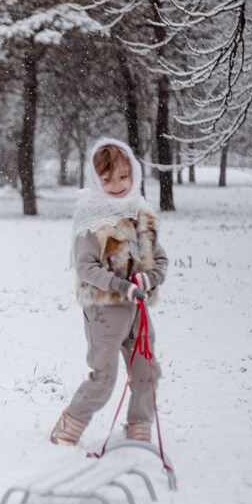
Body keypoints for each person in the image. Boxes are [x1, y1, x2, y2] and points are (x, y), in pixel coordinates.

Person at [51, 137, 168, 446]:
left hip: (138, 310)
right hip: (105, 310)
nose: (117, 185)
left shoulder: (140, 214)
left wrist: (150, 278)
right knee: (104, 377)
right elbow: (86, 266)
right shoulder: (92, 220)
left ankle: (138, 424)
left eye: (123, 176)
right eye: (107, 179)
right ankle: (71, 422)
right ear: (96, 179)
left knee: (147, 372)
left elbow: (159, 258)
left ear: (134, 175)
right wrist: (120, 285)